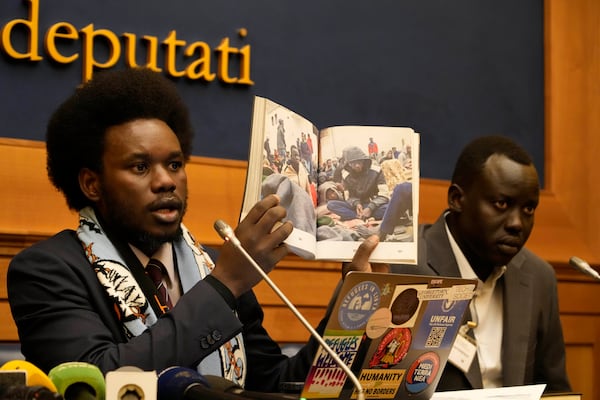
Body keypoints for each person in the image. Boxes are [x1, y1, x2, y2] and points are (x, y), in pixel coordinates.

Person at [6, 67, 381, 393]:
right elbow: (101, 379)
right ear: (92, 184)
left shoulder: (214, 269)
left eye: (174, 164)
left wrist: (348, 310)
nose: (166, 181)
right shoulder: (47, 271)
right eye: (140, 167)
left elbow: (277, 386)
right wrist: (225, 286)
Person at [392, 135, 571, 393]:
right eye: (502, 204)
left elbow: (555, 391)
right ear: (457, 199)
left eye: (528, 209)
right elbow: (326, 380)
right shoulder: (400, 265)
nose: (517, 223)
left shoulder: (538, 277)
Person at [327, 146, 389, 221]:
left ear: (364, 161)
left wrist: (370, 208)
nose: (357, 165)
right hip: (358, 206)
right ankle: (360, 216)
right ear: (349, 164)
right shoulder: (346, 175)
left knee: (391, 207)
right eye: (353, 163)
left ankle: (357, 216)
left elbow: (384, 195)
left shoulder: (376, 171)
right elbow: (348, 197)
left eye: (359, 162)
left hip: (375, 204)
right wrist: (357, 204)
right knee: (331, 205)